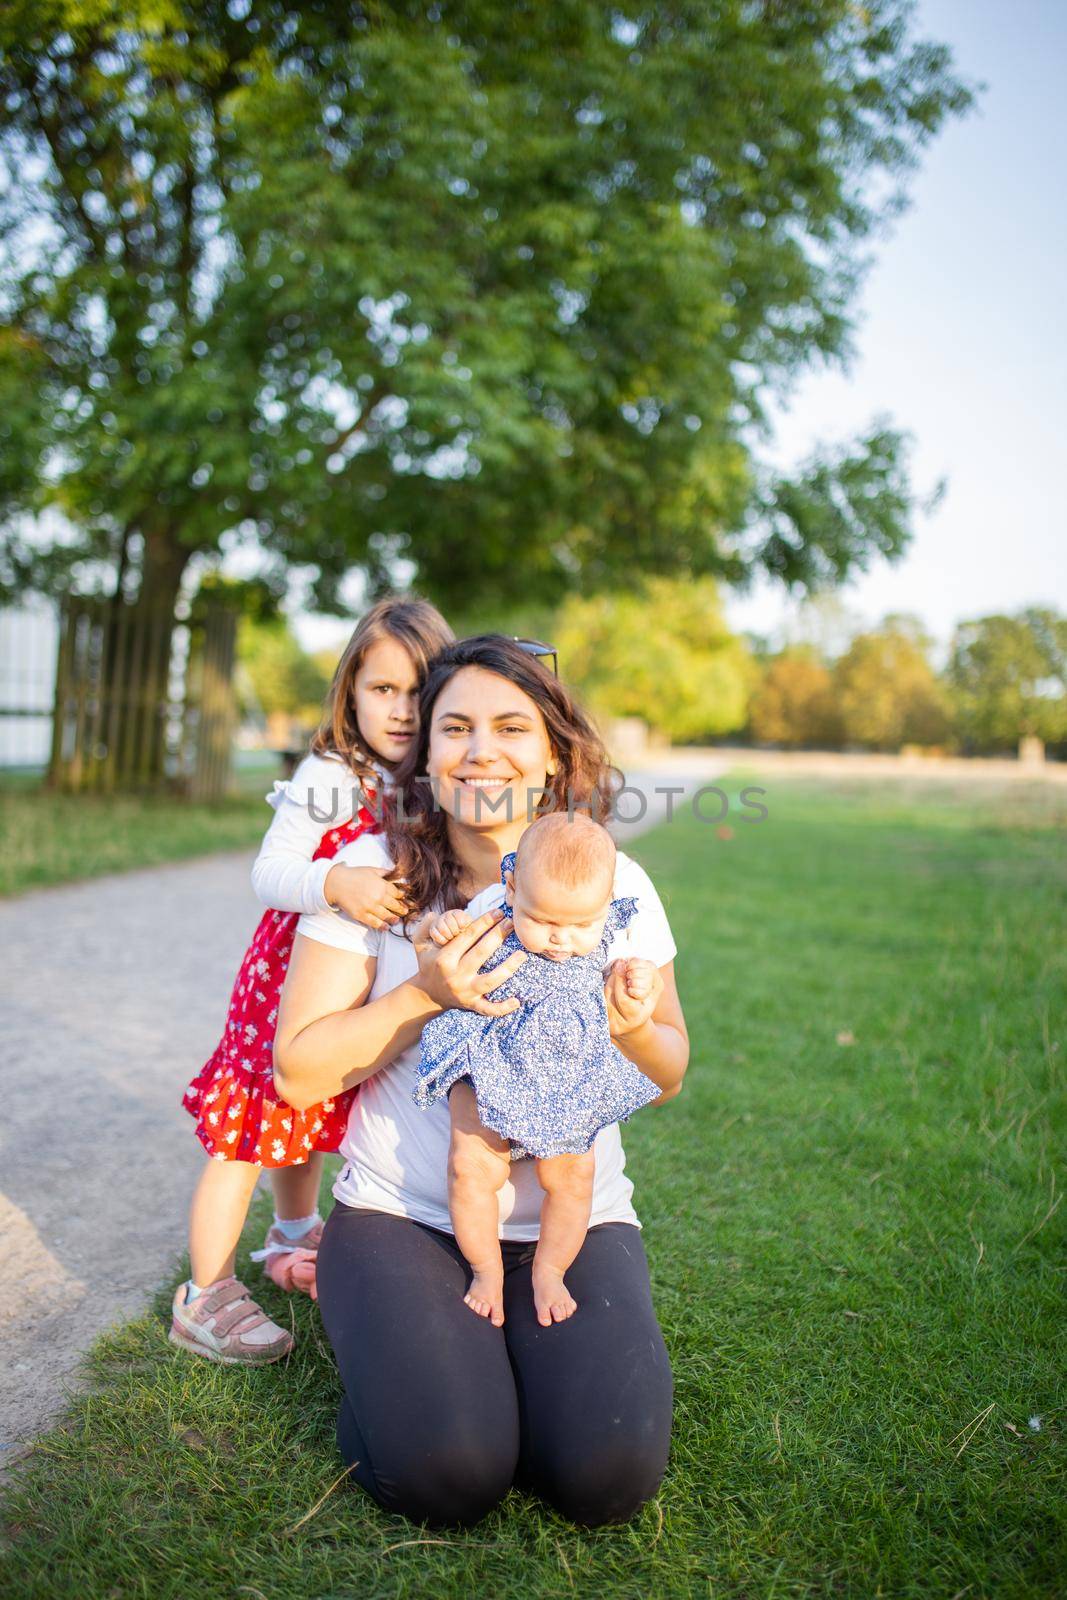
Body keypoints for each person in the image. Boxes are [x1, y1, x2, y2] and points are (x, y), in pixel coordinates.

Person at [274, 635, 689, 1526]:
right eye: (453, 727)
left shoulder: (616, 885)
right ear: (423, 752)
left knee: (605, 1477)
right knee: (451, 1474)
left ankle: (499, 1371)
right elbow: (298, 1076)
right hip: (404, 1217)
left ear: (552, 754)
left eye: (510, 727)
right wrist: (424, 995)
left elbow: (670, 1071)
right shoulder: (374, 883)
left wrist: (631, 1028)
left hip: (571, 1219)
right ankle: (401, 1352)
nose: (480, 750)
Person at [171, 595, 453, 1365]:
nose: (399, 710)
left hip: (349, 989)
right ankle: (203, 1295)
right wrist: (334, 884)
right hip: (284, 985)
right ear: (350, 693)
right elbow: (270, 870)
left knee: (311, 1119)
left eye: (418, 693)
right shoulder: (333, 772)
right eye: (381, 690)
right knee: (248, 1131)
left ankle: (293, 1237)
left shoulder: (430, 778)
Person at [415, 813, 662, 1329]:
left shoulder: (611, 929)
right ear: (512, 886)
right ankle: (486, 1270)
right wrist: (439, 931)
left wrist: (634, 979)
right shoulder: (493, 916)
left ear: (605, 902)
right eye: (545, 921)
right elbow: (435, 955)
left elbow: (623, 981)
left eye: (580, 926)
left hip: (569, 1075)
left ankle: (550, 1269)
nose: (561, 940)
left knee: (572, 1177)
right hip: (490, 1060)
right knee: (472, 1167)